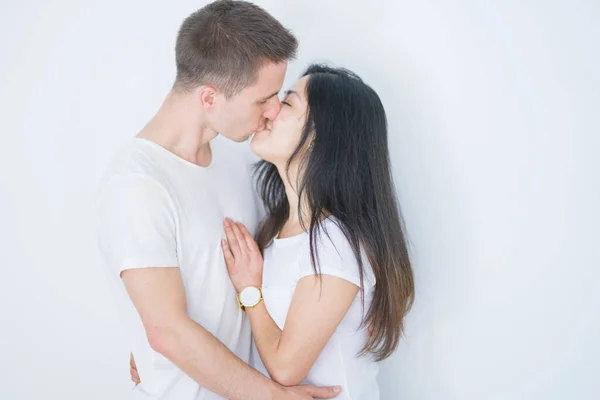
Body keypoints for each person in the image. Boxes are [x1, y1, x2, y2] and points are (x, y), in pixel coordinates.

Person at [96, 1, 341, 399]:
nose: (274, 110)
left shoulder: (237, 156)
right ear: (209, 98)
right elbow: (168, 330)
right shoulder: (137, 185)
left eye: (279, 95)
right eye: (263, 99)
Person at [217, 65, 415, 399]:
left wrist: (250, 290)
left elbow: (285, 368)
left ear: (319, 138)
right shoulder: (274, 225)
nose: (269, 111)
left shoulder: (335, 242)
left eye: (288, 103)